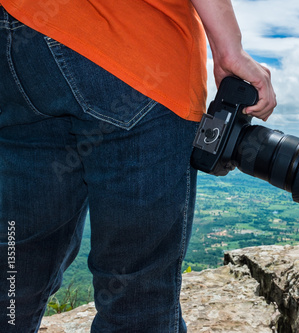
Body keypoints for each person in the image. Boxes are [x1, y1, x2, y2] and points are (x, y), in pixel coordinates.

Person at [0, 0, 276, 332]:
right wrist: (230, 50)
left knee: (16, 268)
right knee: (137, 298)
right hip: (135, 55)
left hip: (20, 42)